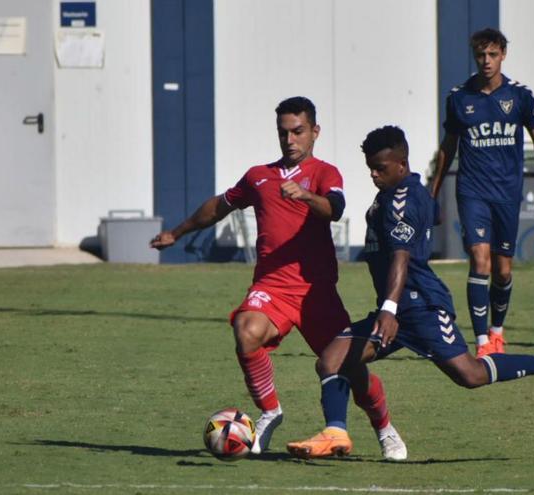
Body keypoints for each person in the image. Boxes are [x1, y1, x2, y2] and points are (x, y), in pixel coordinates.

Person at [286, 126, 534, 459]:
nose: (373, 174)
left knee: (470, 375)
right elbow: (432, 215)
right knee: (331, 360)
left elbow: (402, 257)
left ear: (401, 164)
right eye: (370, 168)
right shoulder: (395, 193)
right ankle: (337, 432)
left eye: (380, 168)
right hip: (394, 310)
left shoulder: (402, 200)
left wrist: (389, 308)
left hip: (421, 307)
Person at [149, 97, 406, 460]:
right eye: (283, 132)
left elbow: (335, 209)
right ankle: (270, 410)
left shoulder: (324, 173)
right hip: (272, 288)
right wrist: (178, 232)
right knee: (246, 330)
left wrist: (304, 195)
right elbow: (218, 206)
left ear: (315, 132)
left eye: (298, 131)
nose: (290, 140)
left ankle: (384, 427)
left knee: (352, 370)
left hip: (317, 293)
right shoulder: (259, 176)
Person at [430, 28, 534, 357]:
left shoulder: (520, 96)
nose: (486, 61)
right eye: (481, 55)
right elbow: (448, 147)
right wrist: (433, 192)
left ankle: (497, 331)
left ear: (503, 55)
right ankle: (482, 342)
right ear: (475, 57)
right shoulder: (459, 97)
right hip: (472, 192)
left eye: (492, 55)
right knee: (480, 261)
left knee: (502, 270)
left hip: (507, 194)